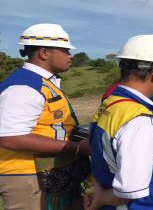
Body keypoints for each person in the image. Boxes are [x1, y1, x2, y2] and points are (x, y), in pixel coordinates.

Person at [86, 35, 153, 210]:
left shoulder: (112, 104)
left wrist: (98, 192)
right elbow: (130, 189)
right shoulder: (139, 121)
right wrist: (100, 199)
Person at [0, 23, 90, 210]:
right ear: (43, 53)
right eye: (65, 50)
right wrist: (77, 148)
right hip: (26, 176)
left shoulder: (42, 83)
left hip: (48, 173)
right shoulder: (23, 87)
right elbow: (10, 137)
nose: (70, 56)